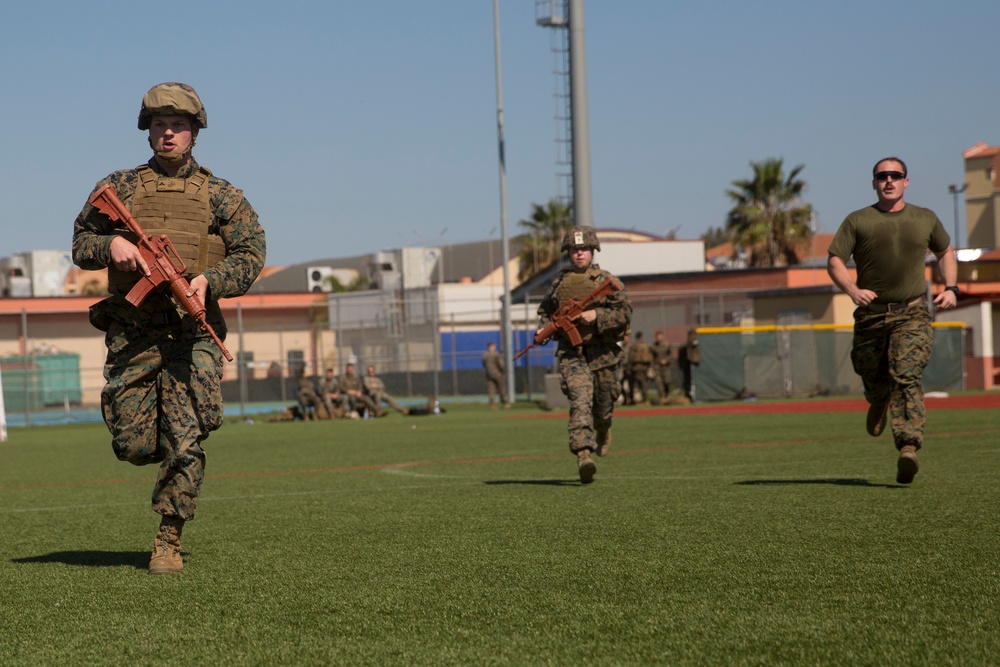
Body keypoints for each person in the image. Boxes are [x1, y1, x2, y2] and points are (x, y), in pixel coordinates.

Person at [72, 82, 266, 574]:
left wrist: (210, 281)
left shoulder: (223, 196)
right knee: (133, 443)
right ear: (148, 130)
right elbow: (81, 241)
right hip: (135, 330)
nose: (168, 133)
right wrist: (110, 246)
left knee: (186, 439)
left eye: (178, 125)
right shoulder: (122, 187)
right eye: (160, 125)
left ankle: (168, 537)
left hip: (192, 331)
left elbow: (252, 254)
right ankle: (158, 430)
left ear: (195, 131)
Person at [827, 157, 958, 484]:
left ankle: (908, 446)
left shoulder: (924, 218)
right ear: (874, 182)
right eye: (882, 176)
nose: (889, 181)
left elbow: (946, 251)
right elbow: (834, 261)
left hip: (911, 312)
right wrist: (852, 290)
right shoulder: (858, 220)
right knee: (871, 373)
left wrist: (952, 287)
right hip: (871, 316)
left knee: (906, 374)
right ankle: (876, 399)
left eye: (895, 176)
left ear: (906, 181)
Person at [535, 226, 631, 484]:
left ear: (593, 251)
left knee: (603, 405)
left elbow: (625, 314)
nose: (579, 255)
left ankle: (604, 429)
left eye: (584, 250)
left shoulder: (607, 281)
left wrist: (597, 316)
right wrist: (544, 329)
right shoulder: (558, 283)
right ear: (568, 253)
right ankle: (583, 456)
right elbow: (545, 311)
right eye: (575, 250)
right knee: (580, 402)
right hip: (572, 354)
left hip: (604, 355)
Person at [626, 331, 653, 404]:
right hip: (645, 367)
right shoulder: (645, 345)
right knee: (643, 383)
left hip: (636, 367)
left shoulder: (634, 346)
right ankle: (645, 398)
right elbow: (650, 357)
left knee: (636, 384)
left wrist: (629, 367)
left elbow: (630, 357)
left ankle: (637, 399)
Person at [482, 341, 509, 410]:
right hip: (497, 374)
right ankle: (504, 403)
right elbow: (501, 365)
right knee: (501, 388)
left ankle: (492, 405)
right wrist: (502, 372)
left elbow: (484, 364)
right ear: (493, 347)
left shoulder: (485, 355)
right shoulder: (497, 355)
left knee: (491, 390)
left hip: (489, 374)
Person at [650, 331, 674, 404]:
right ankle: (662, 397)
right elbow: (651, 357)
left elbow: (670, 355)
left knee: (667, 381)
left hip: (665, 367)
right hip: (657, 367)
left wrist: (666, 360)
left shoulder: (667, 345)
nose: (658, 338)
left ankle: (667, 395)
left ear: (662, 337)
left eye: (659, 336)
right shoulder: (653, 346)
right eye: (657, 337)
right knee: (658, 383)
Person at [678, 328, 700, 402]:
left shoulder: (695, 343)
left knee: (692, 381)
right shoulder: (685, 346)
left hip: (695, 364)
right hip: (688, 366)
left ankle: (692, 395)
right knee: (688, 381)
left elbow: (694, 343)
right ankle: (689, 394)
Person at [619, 332, 634, 405]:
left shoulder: (632, 348)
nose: (625, 339)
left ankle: (631, 399)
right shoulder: (622, 347)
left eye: (627, 337)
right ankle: (625, 398)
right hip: (623, 368)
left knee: (631, 385)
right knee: (620, 384)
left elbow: (633, 358)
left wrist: (630, 368)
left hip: (630, 369)